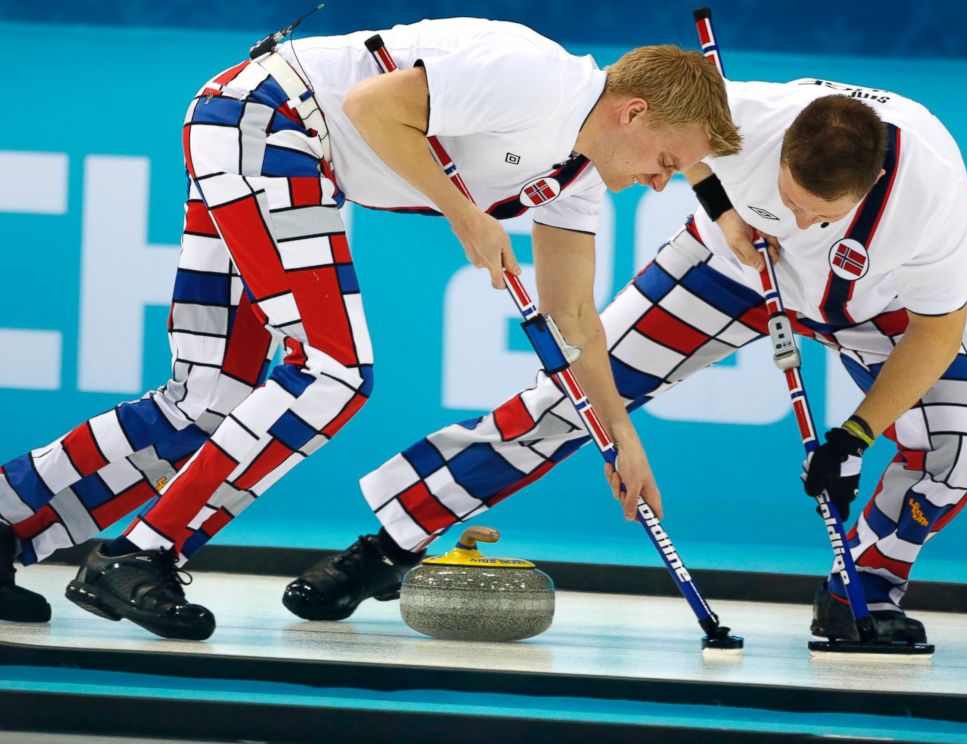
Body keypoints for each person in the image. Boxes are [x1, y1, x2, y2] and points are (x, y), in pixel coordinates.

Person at [0, 18, 739, 639]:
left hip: (269, 143)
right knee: (332, 371)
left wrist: (619, 434)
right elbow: (372, 105)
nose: (661, 181)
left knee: (212, 398)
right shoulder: (537, 76)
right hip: (268, 121)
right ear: (633, 112)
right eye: (669, 161)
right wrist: (464, 214)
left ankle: (9, 519)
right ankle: (143, 553)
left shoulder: (574, 178)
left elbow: (575, 318)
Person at [301, 77, 967, 646]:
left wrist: (854, 435)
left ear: (870, 185)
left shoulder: (930, 193)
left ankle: (859, 597)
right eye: (787, 200)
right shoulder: (748, 116)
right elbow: (667, 129)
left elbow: (936, 333)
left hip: (881, 307)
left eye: (818, 216)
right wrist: (724, 209)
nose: (798, 224)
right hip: (729, 272)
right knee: (574, 399)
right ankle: (390, 543)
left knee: (962, 446)